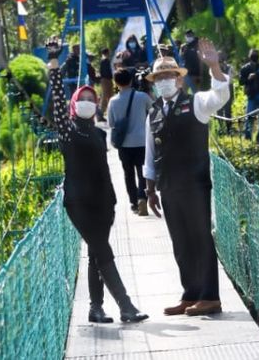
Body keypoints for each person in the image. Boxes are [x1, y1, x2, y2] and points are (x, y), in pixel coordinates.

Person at [47, 38, 148, 324]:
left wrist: (114, 202)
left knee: (96, 253)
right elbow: (56, 99)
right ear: (74, 104)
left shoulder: (99, 134)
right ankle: (126, 306)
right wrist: (54, 62)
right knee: (103, 251)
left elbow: (104, 170)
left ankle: (95, 308)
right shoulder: (68, 132)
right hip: (79, 204)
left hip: (104, 204)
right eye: (83, 99)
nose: (89, 102)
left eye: (92, 99)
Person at [143, 38, 230, 317]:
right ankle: (190, 293)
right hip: (168, 186)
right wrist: (150, 187)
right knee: (180, 241)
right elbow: (149, 152)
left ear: (179, 80)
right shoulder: (153, 111)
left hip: (194, 184)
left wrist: (214, 67)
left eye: (169, 76)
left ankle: (209, 296)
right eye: (160, 77)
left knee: (200, 237)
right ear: (155, 82)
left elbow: (220, 97)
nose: (165, 81)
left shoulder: (197, 103)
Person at [108, 68, 153, 215]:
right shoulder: (142, 97)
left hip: (124, 144)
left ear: (116, 82)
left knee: (128, 174)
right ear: (131, 80)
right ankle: (142, 197)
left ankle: (133, 203)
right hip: (142, 141)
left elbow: (111, 123)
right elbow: (154, 111)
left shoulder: (113, 101)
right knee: (142, 172)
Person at [239, 49, 259, 145]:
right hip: (251, 96)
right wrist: (248, 79)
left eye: (256, 54)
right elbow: (241, 82)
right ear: (249, 56)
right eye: (253, 55)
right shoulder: (245, 68)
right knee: (249, 117)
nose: (255, 56)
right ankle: (247, 138)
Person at [216, 51, 235, 133]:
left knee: (228, 110)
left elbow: (230, 80)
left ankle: (229, 128)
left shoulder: (229, 67)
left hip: (227, 90)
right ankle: (221, 128)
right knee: (219, 110)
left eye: (221, 58)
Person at [98, 48, 113, 122]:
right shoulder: (105, 60)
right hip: (106, 80)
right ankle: (100, 114)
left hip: (105, 80)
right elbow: (106, 72)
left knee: (108, 97)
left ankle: (108, 113)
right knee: (105, 97)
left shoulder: (103, 60)